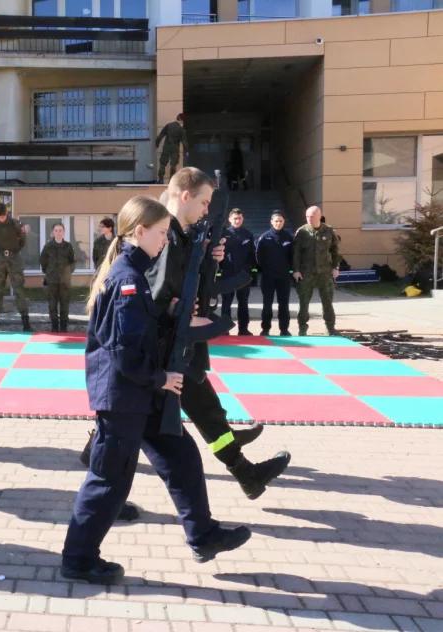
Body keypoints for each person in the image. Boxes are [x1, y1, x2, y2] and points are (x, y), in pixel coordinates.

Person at [61, 197, 252, 584]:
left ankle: (204, 534)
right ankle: (78, 558)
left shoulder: (135, 272)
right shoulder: (129, 278)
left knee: (181, 454)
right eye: (162, 232)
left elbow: (138, 332)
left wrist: (170, 312)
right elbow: (124, 351)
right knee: (109, 479)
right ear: (139, 232)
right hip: (124, 394)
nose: (166, 239)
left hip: (137, 393)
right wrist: (161, 379)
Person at [145, 168, 290, 499]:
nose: (207, 210)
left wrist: (211, 260)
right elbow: (152, 292)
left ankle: (244, 471)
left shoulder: (180, 233)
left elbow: (183, 283)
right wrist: (178, 313)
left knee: (202, 405)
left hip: (177, 341)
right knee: (127, 422)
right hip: (162, 345)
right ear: (185, 196)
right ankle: (99, 462)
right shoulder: (162, 233)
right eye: (204, 202)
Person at [293, 206, 341, 336]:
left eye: (312, 216)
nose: (309, 219)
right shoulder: (302, 232)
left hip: (325, 272)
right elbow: (296, 253)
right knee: (304, 302)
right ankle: (302, 328)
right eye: (307, 216)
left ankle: (330, 328)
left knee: (327, 301)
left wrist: (336, 267)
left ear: (319, 216)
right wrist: (296, 270)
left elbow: (336, 251)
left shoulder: (329, 230)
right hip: (306, 272)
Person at [0, 203, 31, 332]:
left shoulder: (16, 224)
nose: (1, 219)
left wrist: (13, 251)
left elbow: (22, 240)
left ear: (7, 214)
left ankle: (26, 323)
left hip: (15, 259)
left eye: (3, 216)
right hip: (0, 260)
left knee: (19, 290)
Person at [256, 212, 294, 336]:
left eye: (281, 221)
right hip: (268, 277)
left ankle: (284, 329)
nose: (278, 223)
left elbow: (292, 256)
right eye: (276, 221)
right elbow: (258, 257)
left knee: (284, 304)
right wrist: (265, 269)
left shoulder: (288, 237)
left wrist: (290, 270)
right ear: (271, 222)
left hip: (283, 277)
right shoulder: (264, 237)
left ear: (284, 222)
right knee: (267, 304)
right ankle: (265, 329)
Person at [220, 209, 256, 336]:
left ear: (242, 219)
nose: (237, 220)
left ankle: (243, 328)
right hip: (227, 274)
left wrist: (252, 272)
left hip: (243, 275)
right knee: (226, 303)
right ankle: (224, 329)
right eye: (235, 218)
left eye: (239, 218)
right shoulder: (223, 234)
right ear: (230, 219)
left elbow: (252, 254)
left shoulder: (248, 235)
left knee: (243, 303)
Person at [40, 223, 76, 333]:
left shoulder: (68, 246)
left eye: (60, 230)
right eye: (56, 230)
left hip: (64, 280)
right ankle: (54, 325)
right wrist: (48, 273)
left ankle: (64, 325)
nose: (58, 232)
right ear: (53, 232)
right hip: (51, 280)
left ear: (64, 232)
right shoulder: (48, 246)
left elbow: (72, 262)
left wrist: (68, 272)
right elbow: (43, 261)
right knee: (52, 302)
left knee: (64, 302)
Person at [155, 113, 188, 184]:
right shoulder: (181, 129)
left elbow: (160, 136)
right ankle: (171, 181)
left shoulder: (168, 126)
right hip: (175, 149)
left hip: (166, 147)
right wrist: (186, 151)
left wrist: (157, 144)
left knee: (162, 163)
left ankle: (161, 180)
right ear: (182, 120)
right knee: (173, 164)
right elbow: (184, 141)